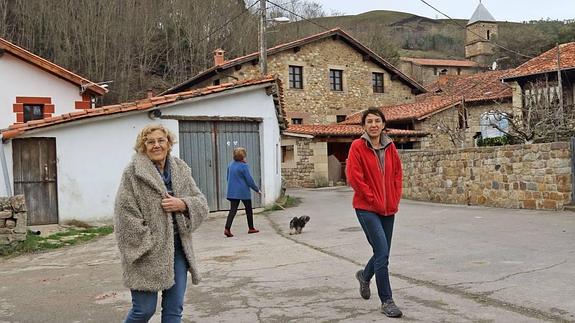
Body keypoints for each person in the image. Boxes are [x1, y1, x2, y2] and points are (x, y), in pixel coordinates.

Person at [114, 124, 209, 323]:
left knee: (174, 311)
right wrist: (148, 243)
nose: (156, 145)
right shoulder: (132, 173)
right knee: (143, 310)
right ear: (143, 146)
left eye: (161, 140)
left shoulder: (181, 169)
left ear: (169, 143)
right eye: (150, 142)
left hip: (178, 249)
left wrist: (182, 203)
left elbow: (200, 202)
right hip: (146, 251)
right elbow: (125, 216)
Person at [346, 107, 403, 318]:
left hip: (389, 208)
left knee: (383, 251)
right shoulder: (357, 147)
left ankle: (364, 275)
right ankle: (387, 300)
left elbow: (397, 174)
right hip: (366, 208)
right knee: (382, 253)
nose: (373, 125)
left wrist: (394, 197)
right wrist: (372, 199)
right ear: (364, 126)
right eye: (369, 121)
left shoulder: (390, 146)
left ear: (383, 124)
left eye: (377, 121)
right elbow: (354, 177)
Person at [224, 147, 261, 237]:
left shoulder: (230, 165)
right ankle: (251, 228)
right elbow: (249, 180)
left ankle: (227, 228)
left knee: (233, 210)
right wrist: (257, 189)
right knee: (248, 209)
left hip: (232, 191)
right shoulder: (244, 166)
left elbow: (228, 178)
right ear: (242, 156)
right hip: (243, 191)